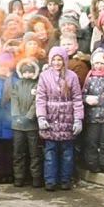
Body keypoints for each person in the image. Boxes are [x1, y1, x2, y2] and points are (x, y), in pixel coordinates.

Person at [36, 47, 83, 191]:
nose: (57, 63)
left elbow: (77, 99)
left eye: (59, 60)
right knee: (50, 153)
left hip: (67, 119)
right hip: (50, 120)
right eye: (54, 60)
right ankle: (50, 181)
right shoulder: (44, 76)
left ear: (64, 61)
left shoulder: (72, 76)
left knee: (67, 153)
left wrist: (78, 119)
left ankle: (65, 180)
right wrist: (41, 117)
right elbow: (40, 98)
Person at [9, 58, 42, 187]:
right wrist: (16, 115)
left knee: (35, 153)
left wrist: (29, 116)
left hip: (32, 125)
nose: (27, 74)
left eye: (30, 72)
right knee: (18, 152)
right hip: (18, 125)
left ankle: (36, 178)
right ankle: (18, 177)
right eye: (25, 72)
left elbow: (37, 101)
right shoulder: (17, 84)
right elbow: (14, 99)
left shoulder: (37, 84)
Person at [82, 49, 104, 174]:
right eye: (96, 63)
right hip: (92, 117)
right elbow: (82, 95)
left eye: (102, 63)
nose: (99, 66)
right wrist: (87, 99)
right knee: (92, 141)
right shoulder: (89, 79)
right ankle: (92, 163)